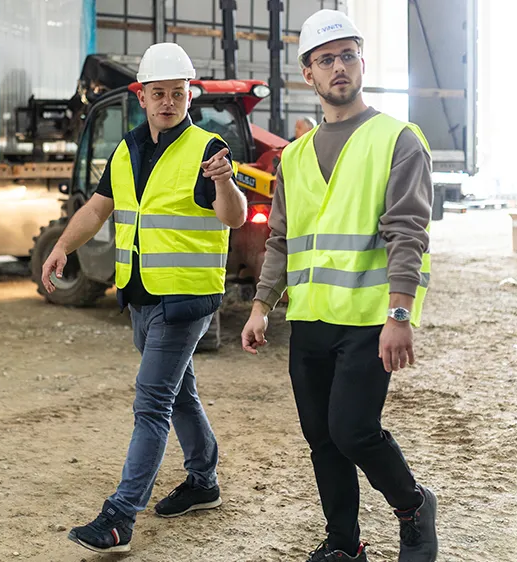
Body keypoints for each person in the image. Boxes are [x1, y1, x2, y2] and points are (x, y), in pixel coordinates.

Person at [240, 9, 439, 562]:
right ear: (309, 74)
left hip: (370, 320)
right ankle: (345, 545)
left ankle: (413, 507)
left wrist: (399, 317)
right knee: (322, 438)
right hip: (310, 320)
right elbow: (280, 239)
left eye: (347, 55)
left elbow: (407, 234)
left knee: (352, 431)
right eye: (325, 59)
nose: (338, 67)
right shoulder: (295, 156)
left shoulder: (397, 139)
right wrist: (261, 306)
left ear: (362, 62)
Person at [40, 42, 247, 554]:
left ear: (189, 95)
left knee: (151, 403)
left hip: (185, 297)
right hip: (140, 293)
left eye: (178, 93)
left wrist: (226, 184)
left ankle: (119, 518)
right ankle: (203, 482)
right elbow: (98, 207)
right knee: (179, 393)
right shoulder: (127, 148)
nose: (169, 102)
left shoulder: (207, 149)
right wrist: (63, 246)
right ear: (142, 95)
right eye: (159, 93)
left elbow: (233, 217)